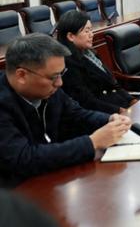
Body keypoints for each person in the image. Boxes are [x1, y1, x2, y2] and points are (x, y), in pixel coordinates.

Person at [0, 34, 131, 187]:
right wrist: (92, 142)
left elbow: (77, 114)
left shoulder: (49, 90)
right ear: (22, 75)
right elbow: (23, 159)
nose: (60, 83)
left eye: (61, 74)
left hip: (48, 179)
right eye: (54, 77)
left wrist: (109, 120)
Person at [57, 10, 135, 114]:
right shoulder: (68, 63)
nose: (91, 34)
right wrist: (120, 111)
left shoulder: (90, 53)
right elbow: (86, 101)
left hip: (118, 105)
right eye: (86, 31)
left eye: (91, 30)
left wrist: (132, 100)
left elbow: (113, 84)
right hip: (104, 114)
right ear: (71, 36)